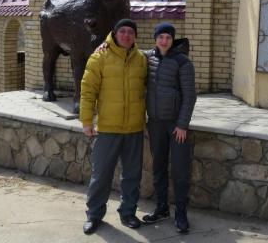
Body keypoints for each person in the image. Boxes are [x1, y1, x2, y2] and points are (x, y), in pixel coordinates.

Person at [79, 18, 147, 235]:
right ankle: (94, 215)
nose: (126, 35)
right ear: (115, 34)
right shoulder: (99, 57)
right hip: (108, 128)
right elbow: (88, 91)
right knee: (101, 175)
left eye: (130, 32)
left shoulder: (142, 59)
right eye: (122, 31)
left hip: (134, 128)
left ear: (135, 36)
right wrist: (87, 121)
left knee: (132, 175)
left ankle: (128, 213)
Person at [141, 22, 196, 234]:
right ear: (155, 38)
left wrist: (182, 125)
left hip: (176, 125)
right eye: (160, 37)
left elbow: (189, 96)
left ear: (173, 40)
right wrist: (104, 46)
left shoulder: (182, 62)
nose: (164, 41)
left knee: (180, 168)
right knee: (158, 166)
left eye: (168, 37)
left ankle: (181, 211)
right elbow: (126, 50)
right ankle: (162, 207)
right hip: (155, 122)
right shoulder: (148, 58)